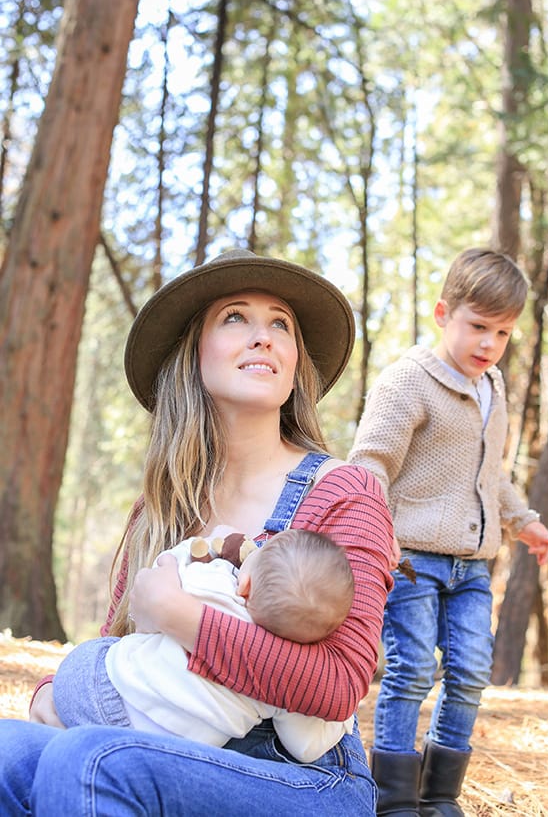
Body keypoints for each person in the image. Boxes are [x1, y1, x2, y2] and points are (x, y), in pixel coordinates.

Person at [0, 247, 395, 816]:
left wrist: (184, 617)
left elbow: (339, 685)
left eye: (280, 323)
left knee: (89, 760)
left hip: (304, 783)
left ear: (295, 361)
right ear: (193, 355)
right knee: (9, 749)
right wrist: (50, 687)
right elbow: (127, 648)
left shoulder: (345, 493)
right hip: (163, 752)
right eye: (235, 316)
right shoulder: (164, 504)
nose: (263, 336)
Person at [348, 248, 548, 817]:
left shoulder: (493, 391)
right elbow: (368, 463)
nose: (488, 344)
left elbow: (493, 477)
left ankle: (439, 796)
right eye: (477, 326)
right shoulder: (407, 382)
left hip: (473, 566)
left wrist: (526, 523)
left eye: (503, 332)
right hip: (411, 558)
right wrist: (376, 536)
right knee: (412, 667)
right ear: (444, 313)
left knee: (469, 670)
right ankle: (392, 795)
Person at [52, 526, 357, 763]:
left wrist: (219, 544)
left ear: (247, 582)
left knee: (100, 656)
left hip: (103, 689)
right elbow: (304, 747)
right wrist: (342, 721)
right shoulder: (281, 686)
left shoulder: (216, 583)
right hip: (159, 750)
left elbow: (173, 559)